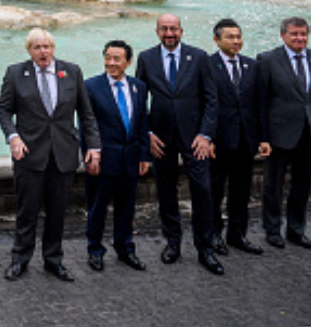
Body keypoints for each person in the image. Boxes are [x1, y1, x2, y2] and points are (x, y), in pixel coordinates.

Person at [0, 28, 100, 282]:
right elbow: (3, 111)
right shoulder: (15, 73)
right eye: (37, 47)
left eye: (47, 46)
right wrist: (13, 137)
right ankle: (19, 259)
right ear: (29, 50)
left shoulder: (72, 71)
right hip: (29, 154)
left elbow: (86, 114)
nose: (43, 51)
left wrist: (94, 147)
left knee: (57, 212)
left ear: (53, 48)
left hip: (63, 154)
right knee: (27, 211)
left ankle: (54, 260)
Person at [136, 14, 223, 275]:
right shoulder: (146, 58)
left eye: (173, 29)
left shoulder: (199, 57)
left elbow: (211, 100)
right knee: (166, 191)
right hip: (161, 139)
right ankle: (172, 243)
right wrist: (148, 133)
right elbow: (140, 100)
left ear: (181, 31)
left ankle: (205, 248)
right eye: (164, 29)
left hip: (194, 138)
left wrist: (206, 135)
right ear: (157, 31)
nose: (169, 33)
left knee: (203, 191)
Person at [256, 16, 311, 250]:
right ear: (283, 36)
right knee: (273, 186)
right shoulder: (267, 60)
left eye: (303, 34)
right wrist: (263, 136)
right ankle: (272, 230)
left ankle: (296, 230)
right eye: (294, 34)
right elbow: (260, 102)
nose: (299, 38)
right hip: (279, 136)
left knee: (303, 186)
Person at [82, 41, 150, 272]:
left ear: (128, 62)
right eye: (108, 57)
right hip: (103, 160)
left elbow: (142, 123)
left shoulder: (139, 87)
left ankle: (125, 249)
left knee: (127, 207)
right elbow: (86, 125)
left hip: (130, 158)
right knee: (97, 207)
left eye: (117, 58)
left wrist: (144, 156)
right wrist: (90, 155)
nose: (111, 62)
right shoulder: (90, 86)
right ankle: (95, 250)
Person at [204, 18, 264, 255]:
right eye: (230, 37)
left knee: (241, 191)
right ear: (216, 40)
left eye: (238, 36)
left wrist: (263, 138)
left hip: (246, 141)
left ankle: (238, 234)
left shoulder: (253, 66)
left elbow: (260, 105)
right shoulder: (206, 65)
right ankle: (214, 234)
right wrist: (205, 138)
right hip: (217, 142)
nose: (236, 41)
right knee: (214, 191)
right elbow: (202, 105)